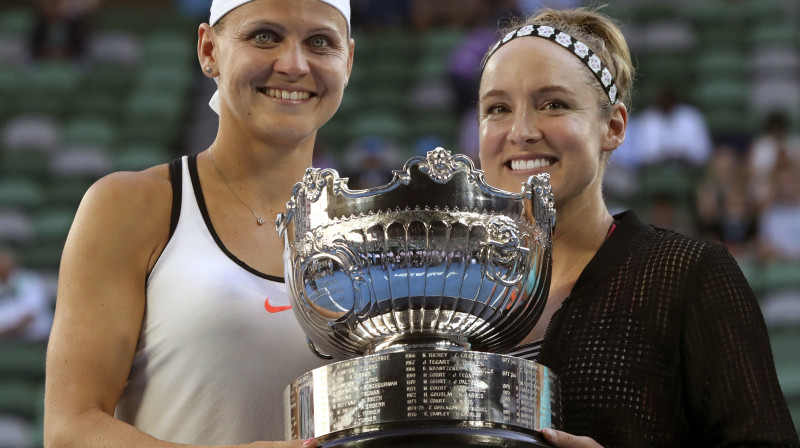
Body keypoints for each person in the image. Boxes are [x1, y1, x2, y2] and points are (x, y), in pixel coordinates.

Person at [477, 7, 800, 448]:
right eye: (497, 108)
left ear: (613, 127)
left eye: (553, 104)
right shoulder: (452, 299)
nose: (521, 131)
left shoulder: (689, 274)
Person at [43, 0, 354, 446]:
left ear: (349, 62)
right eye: (264, 36)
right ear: (209, 50)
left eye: (320, 42)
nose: (293, 64)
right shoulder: (130, 206)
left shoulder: (373, 230)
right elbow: (68, 430)